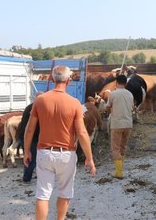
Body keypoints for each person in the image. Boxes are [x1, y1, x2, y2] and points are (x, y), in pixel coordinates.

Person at [23, 65, 96, 220]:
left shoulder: (40, 100)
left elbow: (29, 129)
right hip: (66, 155)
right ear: (68, 80)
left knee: (43, 194)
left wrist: (26, 150)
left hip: (44, 153)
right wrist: (89, 158)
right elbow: (82, 133)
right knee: (65, 192)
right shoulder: (75, 103)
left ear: (51, 79)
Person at [105, 75, 134, 179]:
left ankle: (119, 172)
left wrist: (111, 112)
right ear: (126, 83)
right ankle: (120, 169)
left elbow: (107, 107)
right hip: (128, 124)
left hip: (117, 124)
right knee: (123, 146)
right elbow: (132, 108)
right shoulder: (130, 94)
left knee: (115, 148)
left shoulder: (113, 94)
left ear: (116, 82)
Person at [17, 91, 43, 184]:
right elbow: (30, 129)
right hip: (28, 137)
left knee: (34, 156)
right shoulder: (34, 108)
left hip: (26, 136)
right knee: (31, 157)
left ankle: (32, 175)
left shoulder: (30, 107)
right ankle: (26, 178)